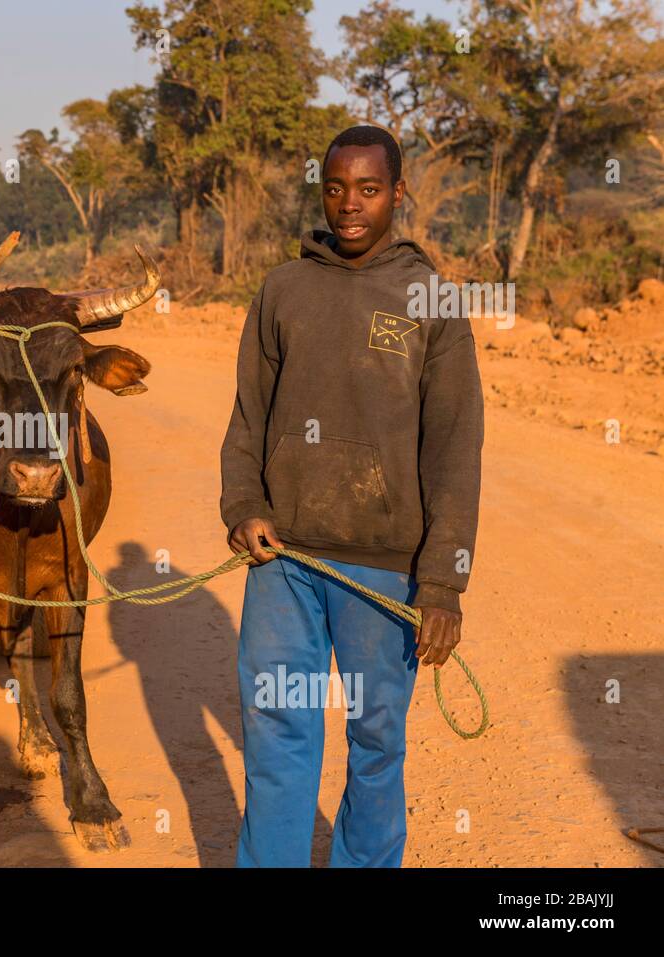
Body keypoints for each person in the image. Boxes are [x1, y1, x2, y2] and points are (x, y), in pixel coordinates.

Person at [220, 125, 484, 867]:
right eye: (336, 187)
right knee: (278, 729)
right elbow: (248, 416)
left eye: (368, 189)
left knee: (374, 739)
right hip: (283, 562)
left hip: (383, 568)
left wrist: (442, 583)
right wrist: (243, 506)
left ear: (397, 193)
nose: (350, 204)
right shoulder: (283, 288)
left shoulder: (430, 298)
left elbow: (456, 450)